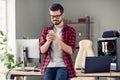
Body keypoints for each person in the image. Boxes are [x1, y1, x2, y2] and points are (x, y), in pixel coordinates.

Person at [40, 3, 76, 80]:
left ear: (62, 15)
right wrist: (48, 41)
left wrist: (57, 40)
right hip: (49, 66)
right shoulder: (46, 30)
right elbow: (42, 50)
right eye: (52, 16)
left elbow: (70, 51)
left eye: (57, 16)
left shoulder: (70, 30)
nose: (54, 18)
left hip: (63, 66)